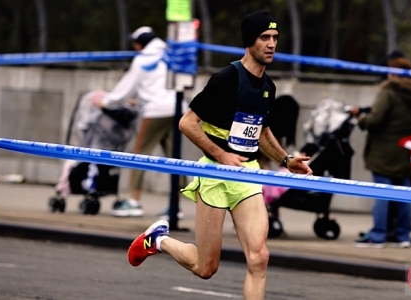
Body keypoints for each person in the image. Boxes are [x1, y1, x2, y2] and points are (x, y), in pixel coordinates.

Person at [126, 11, 312, 300]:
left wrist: (287, 160)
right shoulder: (226, 78)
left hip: (247, 174)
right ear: (250, 41)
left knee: (259, 257)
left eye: (275, 38)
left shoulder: (268, 87)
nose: (272, 44)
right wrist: (221, 155)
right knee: (205, 267)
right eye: (265, 37)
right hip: (215, 173)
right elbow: (187, 123)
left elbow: (261, 132)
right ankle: (158, 240)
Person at [95, 26, 187, 218]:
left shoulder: (142, 59)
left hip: (156, 111)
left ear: (139, 44)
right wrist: (140, 100)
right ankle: (175, 207)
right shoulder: (168, 53)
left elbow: (125, 89)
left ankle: (134, 202)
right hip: (178, 108)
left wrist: (105, 101)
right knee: (173, 157)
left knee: (140, 154)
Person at [351, 57, 411, 248]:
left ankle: (378, 236)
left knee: (382, 194)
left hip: (384, 150)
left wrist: (360, 119)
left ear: (393, 74)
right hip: (405, 148)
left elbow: (376, 119)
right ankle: (403, 236)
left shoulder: (390, 92)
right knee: (404, 195)